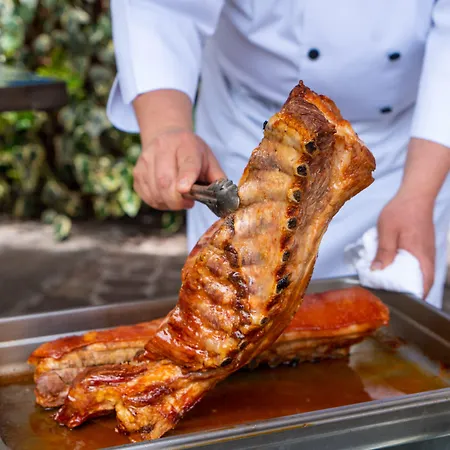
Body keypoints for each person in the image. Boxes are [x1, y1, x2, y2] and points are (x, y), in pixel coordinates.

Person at [107, 1, 450, 309]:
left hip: (403, 150)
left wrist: (418, 195)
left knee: (396, 326)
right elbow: (164, 7)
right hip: (249, 126)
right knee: (233, 302)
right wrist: (167, 129)